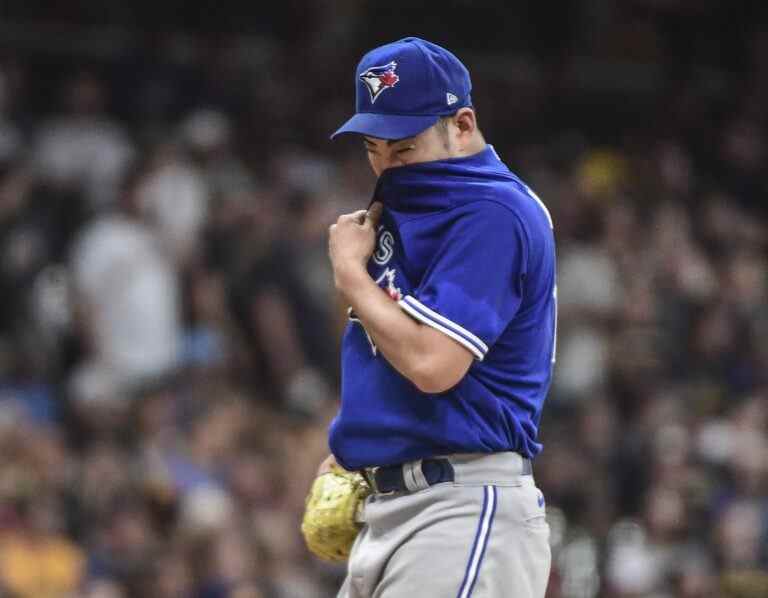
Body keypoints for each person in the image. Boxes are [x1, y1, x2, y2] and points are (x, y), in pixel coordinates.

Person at [322, 37, 555, 597]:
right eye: (373, 147)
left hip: (461, 510)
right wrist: (346, 453)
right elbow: (383, 350)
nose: (386, 164)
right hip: (399, 508)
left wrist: (351, 276)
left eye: (402, 147)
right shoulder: (413, 209)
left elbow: (432, 363)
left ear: (462, 123)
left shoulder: (493, 212)